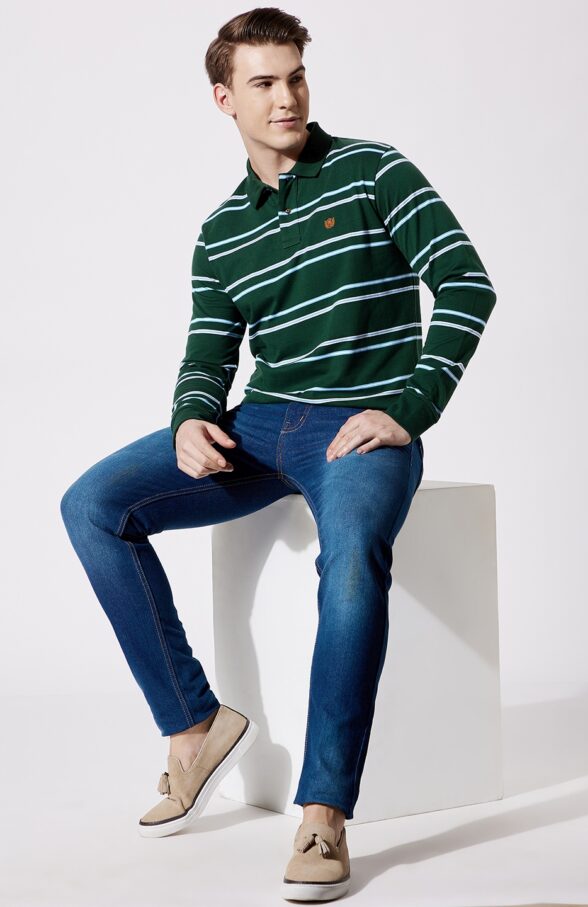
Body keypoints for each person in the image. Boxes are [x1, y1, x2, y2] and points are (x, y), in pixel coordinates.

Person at [60, 6, 497, 902]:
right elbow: (208, 352)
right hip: (262, 424)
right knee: (92, 505)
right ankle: (194, 725)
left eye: (295, 76)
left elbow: (465, 281)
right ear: (225, 99)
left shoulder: (374, 170)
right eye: (262, 82)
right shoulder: (222, 231)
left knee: (351, 563)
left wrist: (409, 407)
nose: (286, 96)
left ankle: (324, 812)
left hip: (357, 428)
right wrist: (191, 417)